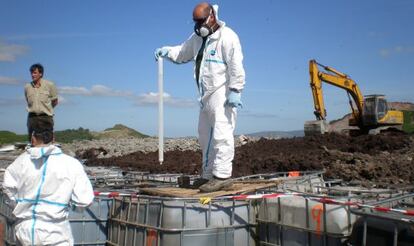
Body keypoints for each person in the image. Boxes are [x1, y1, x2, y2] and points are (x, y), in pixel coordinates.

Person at [155, 2, 245, 192]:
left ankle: (222, 176)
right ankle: (207, 176)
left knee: (222, 135)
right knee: (205, 137)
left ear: (211, 16)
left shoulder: (228, 37)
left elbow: (236, 65)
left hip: (222, 95)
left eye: (201, 21)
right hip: (204, 96)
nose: (198, 25)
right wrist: (167, 51)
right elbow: (182, 52)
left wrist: (236, 90)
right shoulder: (197, 38)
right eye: (195, 22)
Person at [2, 120, 94, 245]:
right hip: (55, 231)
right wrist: (69, 206)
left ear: (33, 138)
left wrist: (18, 205)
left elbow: (7, 188)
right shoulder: (71, 164)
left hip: (25, 230)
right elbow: (84, 200)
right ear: (53, 138)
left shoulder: (20, 162)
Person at [25, 63, 58, 142]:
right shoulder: (27, 87)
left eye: (35, 73)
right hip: (32, 118)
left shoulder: (50, 85)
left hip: (46, 117)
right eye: (31, 73)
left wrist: (46, 109)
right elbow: (28, 101)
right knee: (33, 142)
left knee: (47, 141)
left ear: (41, 73)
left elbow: (55, 101)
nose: (32, 75)